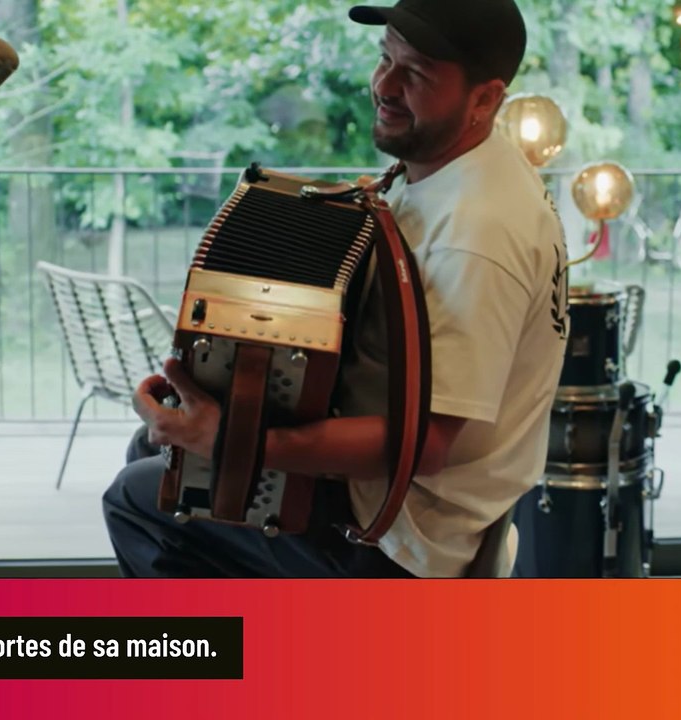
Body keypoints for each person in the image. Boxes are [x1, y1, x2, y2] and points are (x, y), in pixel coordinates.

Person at [102, 0, 568, 578]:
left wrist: (233, 440)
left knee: (136, 500)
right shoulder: (463, 169)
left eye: (416, 73)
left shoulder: (478, 235)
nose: (385, 86)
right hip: (402, 496)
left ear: (485, 98)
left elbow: (427, 444)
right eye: (385, 59)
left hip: (403, 536)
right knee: (155, 449)